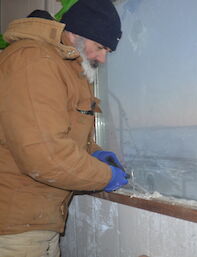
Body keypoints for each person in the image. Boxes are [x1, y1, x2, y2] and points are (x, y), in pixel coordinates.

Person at [0, 0, 128, 256]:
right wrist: (105, 176)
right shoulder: (33, 60)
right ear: (78, 33)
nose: (102, 57)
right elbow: (45, 156)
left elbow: (62, 131)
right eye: (100, 47)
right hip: (14, 229)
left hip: (37, 223)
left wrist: (94, 152)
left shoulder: (65, 65)